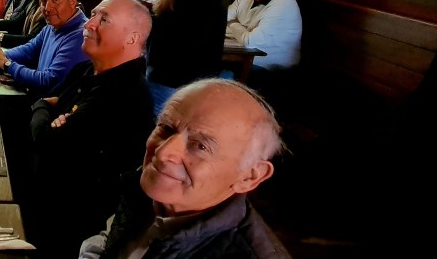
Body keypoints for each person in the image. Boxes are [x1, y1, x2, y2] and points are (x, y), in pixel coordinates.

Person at [79, 78, 290, 259]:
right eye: (166, 128)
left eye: (200, 146)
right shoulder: (148, 183)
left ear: (249, 177)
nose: (162, 152)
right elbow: (110, 238)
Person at [29, 0, 155, 258]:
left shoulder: (123, 94)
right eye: (94, 14)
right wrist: (50, 113)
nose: (90, 23)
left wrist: (41, 106)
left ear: (132, 38)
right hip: (47, 201)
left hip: (72, 224)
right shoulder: (85, 70)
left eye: (104, 19)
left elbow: (48, 141)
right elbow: (52, 118)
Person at [0, 0, 88, 96]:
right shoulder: (54, 24)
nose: (48, 8)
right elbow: (29, 50)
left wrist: (6, 64)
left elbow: (48, 81)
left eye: (55, 0)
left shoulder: (81, 35)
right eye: (43, 1)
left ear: (72, 1)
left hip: (49, 104)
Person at [226, 0, 302, 70]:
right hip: (243, 58)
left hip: (270, 66)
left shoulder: (283, 4)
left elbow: (249, 42)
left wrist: (232, 23)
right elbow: (221, 19)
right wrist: (242, 31)